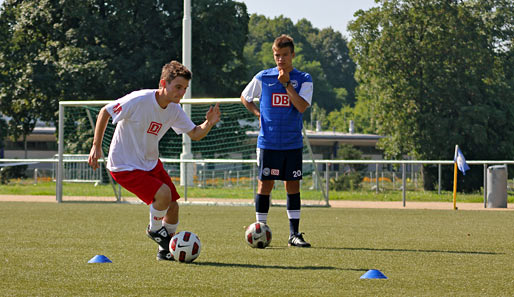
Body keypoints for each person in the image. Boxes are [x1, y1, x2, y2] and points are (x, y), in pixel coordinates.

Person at [88, 60, 221, 261]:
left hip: (150, 163)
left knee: (174, 207)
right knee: (163, 194)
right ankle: (155, 230)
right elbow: (105, 111)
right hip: (124, 165)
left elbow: (194, 133)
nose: (181, 93)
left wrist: (208, 123)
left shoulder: (174, 109)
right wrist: (96, 145)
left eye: (184, 89)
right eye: (177, 87)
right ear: (163, 83)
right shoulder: (139, 99)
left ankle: (165, 251)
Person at [240, 34, 313, 248]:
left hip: (292, 143)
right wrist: (257, 114)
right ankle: (260, 229)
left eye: (284, 55)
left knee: (293, 185)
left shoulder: (304, 78)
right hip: (268, 143)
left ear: (292, 55)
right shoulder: (264, 77)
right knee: (265, 184)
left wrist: (288, 85)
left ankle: (294, 234)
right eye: (276, 55)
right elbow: (245, 97)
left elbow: (301, 106)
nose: (280, 59)